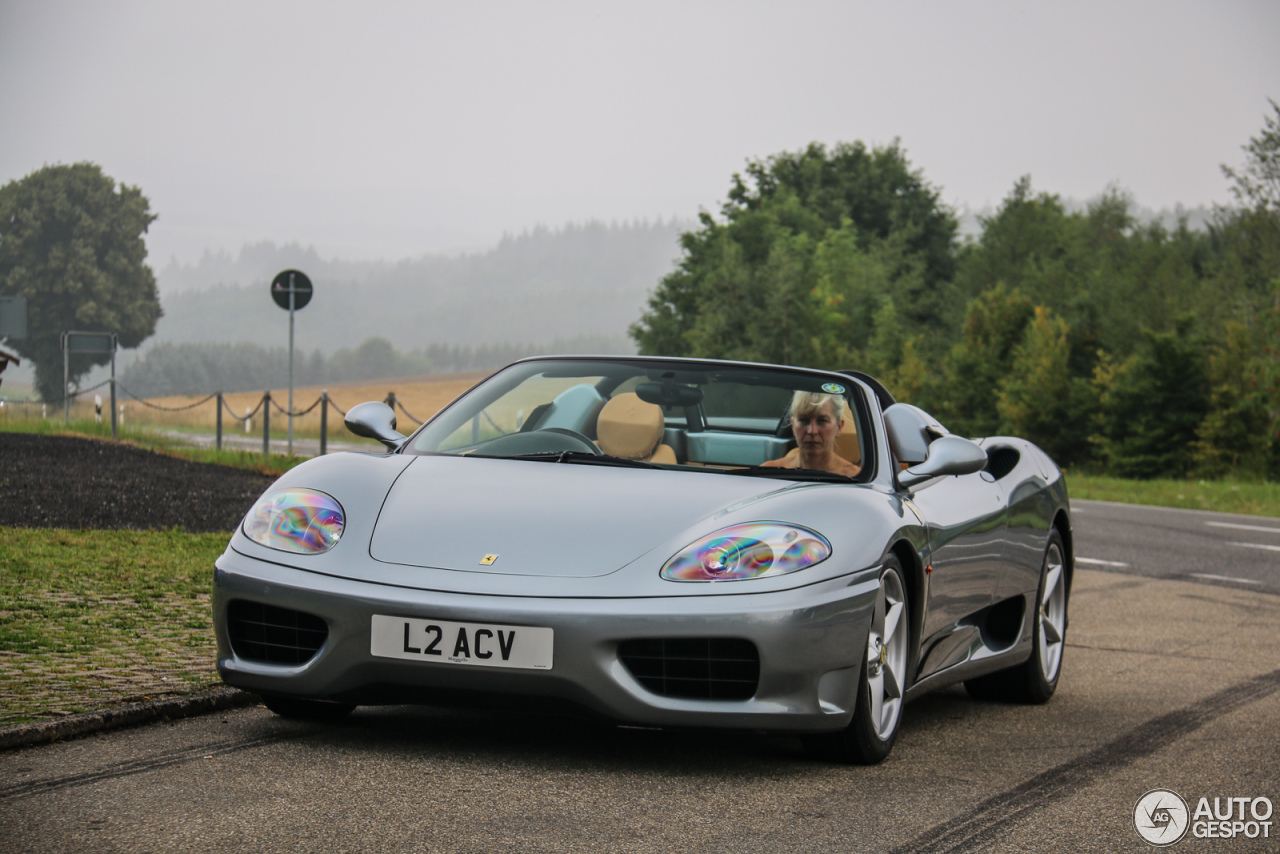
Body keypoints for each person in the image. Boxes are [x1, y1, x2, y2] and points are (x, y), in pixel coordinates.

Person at [761, 391, 861, 476]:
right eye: (804, 420)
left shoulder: (855, 477)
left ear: (838, 427)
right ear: (793, 426)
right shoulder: (769, 472)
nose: (812, 431)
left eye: (822, 421)